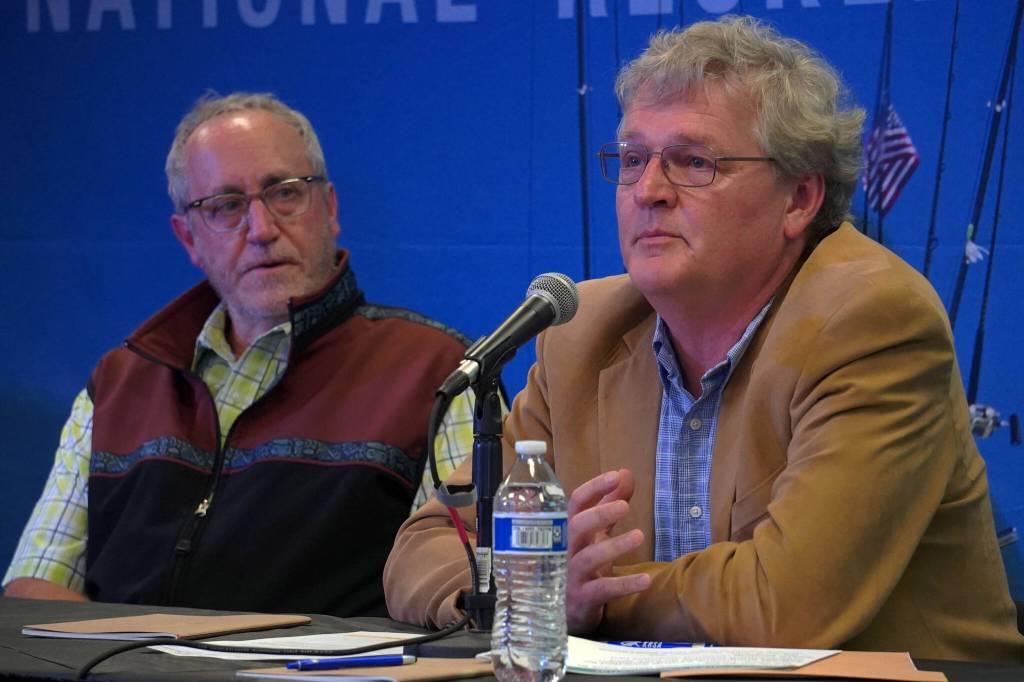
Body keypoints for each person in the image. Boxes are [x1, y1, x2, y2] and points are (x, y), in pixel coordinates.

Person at [384, 16, 1024, 661]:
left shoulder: (872, 320)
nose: (649, 191)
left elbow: (786, 605)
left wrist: (579, 595)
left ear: (799, 198)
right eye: (632, 160)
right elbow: (429, 546)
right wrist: (499, 599)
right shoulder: (581, 335)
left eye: (694, 163)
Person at [3, 92, 476, 618]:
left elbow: (455, 586)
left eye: (285, 193)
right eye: (226, 206)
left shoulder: (440, 373)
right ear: (188, 238)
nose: (262, 229)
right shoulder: (118, 382)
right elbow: (33, 591)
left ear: (331, 207)